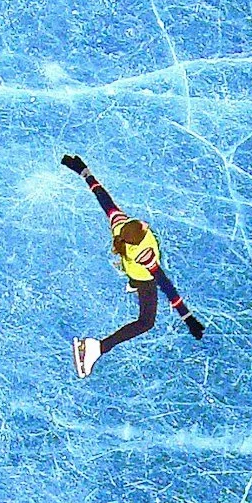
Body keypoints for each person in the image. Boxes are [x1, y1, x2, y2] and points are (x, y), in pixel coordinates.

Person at [63, 154, 204, 377]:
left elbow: (103, 197)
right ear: (139, 236)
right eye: (143, 226)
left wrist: (83, 171)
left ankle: (132, 282)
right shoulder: (145, 255)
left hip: (130, 268)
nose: (145, 223)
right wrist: (189, 319)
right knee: (146, 322)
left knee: (133, 275)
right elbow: (167, 287)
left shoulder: (120, 225)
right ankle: (96, 348)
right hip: (143, 277)